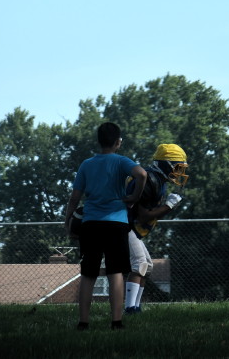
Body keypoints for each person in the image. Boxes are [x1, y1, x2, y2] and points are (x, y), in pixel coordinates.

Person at [63, 122, 147, 330]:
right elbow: (142, 174)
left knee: (88, 274)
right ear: (118, 142)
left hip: (90, 224)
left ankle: (83, 322)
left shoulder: (86, 164)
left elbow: (75, 197)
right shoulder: (121, 161)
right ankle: (116, 321)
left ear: (99, 141)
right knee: (115, 272)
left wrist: (67, 220)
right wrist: (134, 196)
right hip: (116, 224)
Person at [124, 143, 190, 314]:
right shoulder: (148, 180)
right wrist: (169, 205)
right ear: (164, 164)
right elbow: (144, 215)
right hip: (123, 225)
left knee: (147, 268)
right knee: (139, 265)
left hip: (131, 227)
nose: (179, 173)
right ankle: (130, 308)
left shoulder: (159, 180)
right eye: (177, 167)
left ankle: (136, 307)